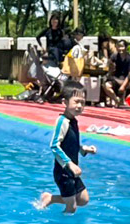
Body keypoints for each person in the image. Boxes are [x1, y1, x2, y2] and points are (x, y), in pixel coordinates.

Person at [38, 80, 96, 213]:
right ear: (65, 102)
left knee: (83, 200)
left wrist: (83, 149)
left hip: (71, 170)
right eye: (76, 101)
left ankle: (51, 198)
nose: (80, 105)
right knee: (72, 207)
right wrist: (69, 164)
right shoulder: (62, 121)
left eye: (83, 102)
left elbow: (71, 143)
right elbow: (54, 146)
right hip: (63, 171)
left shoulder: (74, 121)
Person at [104, 39, 130, 106]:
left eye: (122, 46)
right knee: (106, 85)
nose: (120, 48)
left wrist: (123, 86)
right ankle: (116, 100)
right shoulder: (114, 56)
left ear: (126, 47)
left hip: (126, 79)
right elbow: (109, 64)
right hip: (116, 78)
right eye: (119, 46)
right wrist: (109, 65)